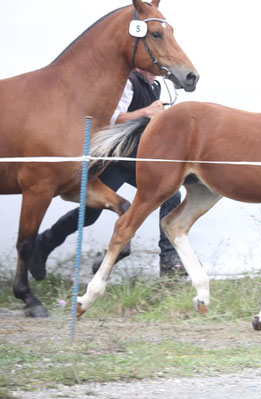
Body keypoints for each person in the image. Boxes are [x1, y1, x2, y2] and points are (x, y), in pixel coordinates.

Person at [32, 68, 184, 276]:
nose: (155, 74)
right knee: (89, 215)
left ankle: (169, 263)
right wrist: (146, 112)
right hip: (113, 160)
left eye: (157, 70)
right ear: (139, 64)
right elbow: (110, 119)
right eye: (151, 69)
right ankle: (43, 244)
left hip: (133, 158)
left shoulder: (154, 86)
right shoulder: (128, 83)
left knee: (171, 194)